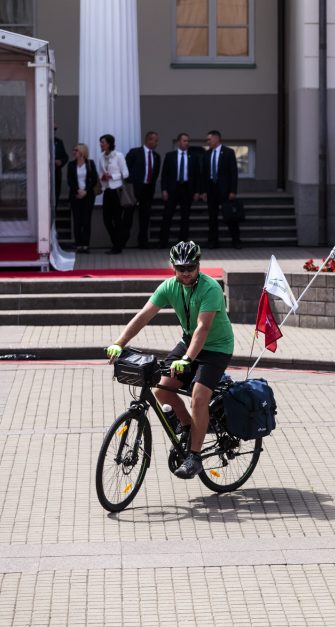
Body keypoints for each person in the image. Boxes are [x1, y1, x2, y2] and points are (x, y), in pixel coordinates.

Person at [105, 241, 235, 479]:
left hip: (216, 347)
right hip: (188, 343)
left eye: (190, 267)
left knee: (199, 396)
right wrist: (119, 343)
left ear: (198, 265)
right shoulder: (169, 287)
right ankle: (189, 427)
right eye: (180, 267)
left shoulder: (210, 288)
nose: (185, 272)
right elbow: (144, 315)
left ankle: (194, 457)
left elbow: (203, 329)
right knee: (161, 388)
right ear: (173, 267)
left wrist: (186, 359)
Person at [159, 132, 201, 247]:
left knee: (185, 216)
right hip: (173, 189)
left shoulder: (193, 156)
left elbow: (197, 175)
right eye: (184, 141)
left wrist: (197, 191)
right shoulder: (170, 155)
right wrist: (164, 190)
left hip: (187, 189)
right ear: (178, 142)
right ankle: (163, 241)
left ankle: (182, 242)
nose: (186, 143)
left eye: (188, 141)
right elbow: (165, 174)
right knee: (167, 215)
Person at [202, 130, 241, 248]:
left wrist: (233, 190)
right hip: (211, 190)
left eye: (209, 139)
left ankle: (236, 241)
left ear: (216, 139)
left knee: (230, 217)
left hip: (225, 190)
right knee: (212, 217)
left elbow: (233, 173)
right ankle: (213, 241)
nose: (207, 141)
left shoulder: (228, 152)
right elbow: (204, 174)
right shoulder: (207, 154)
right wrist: (203, 191)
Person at [125, 131, 161, 249]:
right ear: (148, 140)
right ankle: (122, 241)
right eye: (155, 140)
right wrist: (130, 183)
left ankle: (143, 242)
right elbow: (126, 169)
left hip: (148, 189)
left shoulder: (156, 156)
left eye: (157, 141)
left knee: (145, 216)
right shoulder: (135, 152)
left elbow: (155, 174)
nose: (156, 143)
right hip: (134, 189)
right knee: (128, 216)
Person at [97, 134, 130, 254]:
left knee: (117, 219)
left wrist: (112, 176)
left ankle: (117, 246)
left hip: (117, 191)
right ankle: (117, 242)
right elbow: (100, 173)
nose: (101, 144)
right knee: (106, 219)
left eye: (103, 142)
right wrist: (102, 178)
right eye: (100, 142)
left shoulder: (119, 156)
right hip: (107, 191)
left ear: (109, 144)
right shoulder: (101, 157)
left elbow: (126, 173)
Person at [66, 143, 99, 253]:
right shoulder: (71, 165)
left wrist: (85, 191)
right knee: (77, 220)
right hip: (75, 196)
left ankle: (85, 245)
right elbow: (70, 180)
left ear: (82, 152)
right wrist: (78, 190)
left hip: (88, 196)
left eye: (76, 150)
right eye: (73, 150)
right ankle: (78, 244)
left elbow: (94, 179)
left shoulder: (90, 163)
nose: (73, 152)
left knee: (86, 220)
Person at [54, 128, 68, 207]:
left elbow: (65, 157)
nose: (53, 131)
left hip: (56, 173)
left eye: (55, 129)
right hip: (43, 175)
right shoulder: (41, 140)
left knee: (55, 195)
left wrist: (61, 161)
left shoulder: (59, 142)